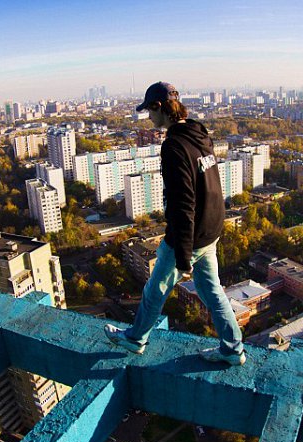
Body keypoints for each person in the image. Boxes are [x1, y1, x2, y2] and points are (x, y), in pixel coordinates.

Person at [104, 81, 246, 366]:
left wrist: (182, 255)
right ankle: (233, 349)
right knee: (212, 291)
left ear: (159, 107)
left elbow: (183, 202)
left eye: (149, 111)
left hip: (189, 236)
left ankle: (136, 339)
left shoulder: (174, 146)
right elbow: (209, 186)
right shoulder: (198, 134)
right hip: (211, 229)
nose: (148, 117)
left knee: (155, 289)